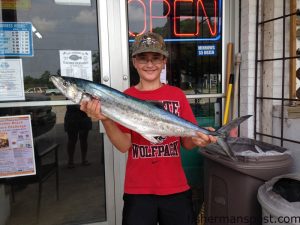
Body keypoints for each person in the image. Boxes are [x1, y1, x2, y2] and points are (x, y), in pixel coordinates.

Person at [80, 32, 217, 225]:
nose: (150, 64)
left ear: (164, 62)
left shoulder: (176, 95)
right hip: (138, 190)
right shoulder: (125, 96)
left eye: (156, 58)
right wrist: (106, 119)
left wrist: (198, 139)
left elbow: (187, 143)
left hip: (175, 187)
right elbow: (123, 145)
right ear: (134, 62)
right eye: (143, 58)